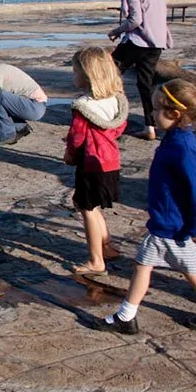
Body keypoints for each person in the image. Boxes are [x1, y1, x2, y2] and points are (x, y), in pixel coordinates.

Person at [99, 78, 196, 335]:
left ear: (175, 114)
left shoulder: (184, 147)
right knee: (175, 268)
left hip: (171, 226)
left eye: (157, 109)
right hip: (167, 223)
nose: (152, 113)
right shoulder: (174, 140)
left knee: (155, 267)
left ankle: (127, 315)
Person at [63, 47, 129, 276]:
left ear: (88, 74)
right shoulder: (116, 100)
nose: (73, 76)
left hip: (91, 162)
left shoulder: (84, 106)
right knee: (93, 205)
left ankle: (96, 261)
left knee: (87, 208)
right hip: (111, 160)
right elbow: (119, 127)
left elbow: (77, 136)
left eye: (76, 72)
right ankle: (107, 246)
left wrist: (70, 154)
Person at [108, 0, 173, 141]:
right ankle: (150, 126)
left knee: (108, 73)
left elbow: (135, 20)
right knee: (146, 84)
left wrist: (116, 31)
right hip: (156, 42)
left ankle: (109, 116)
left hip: (138, 41)